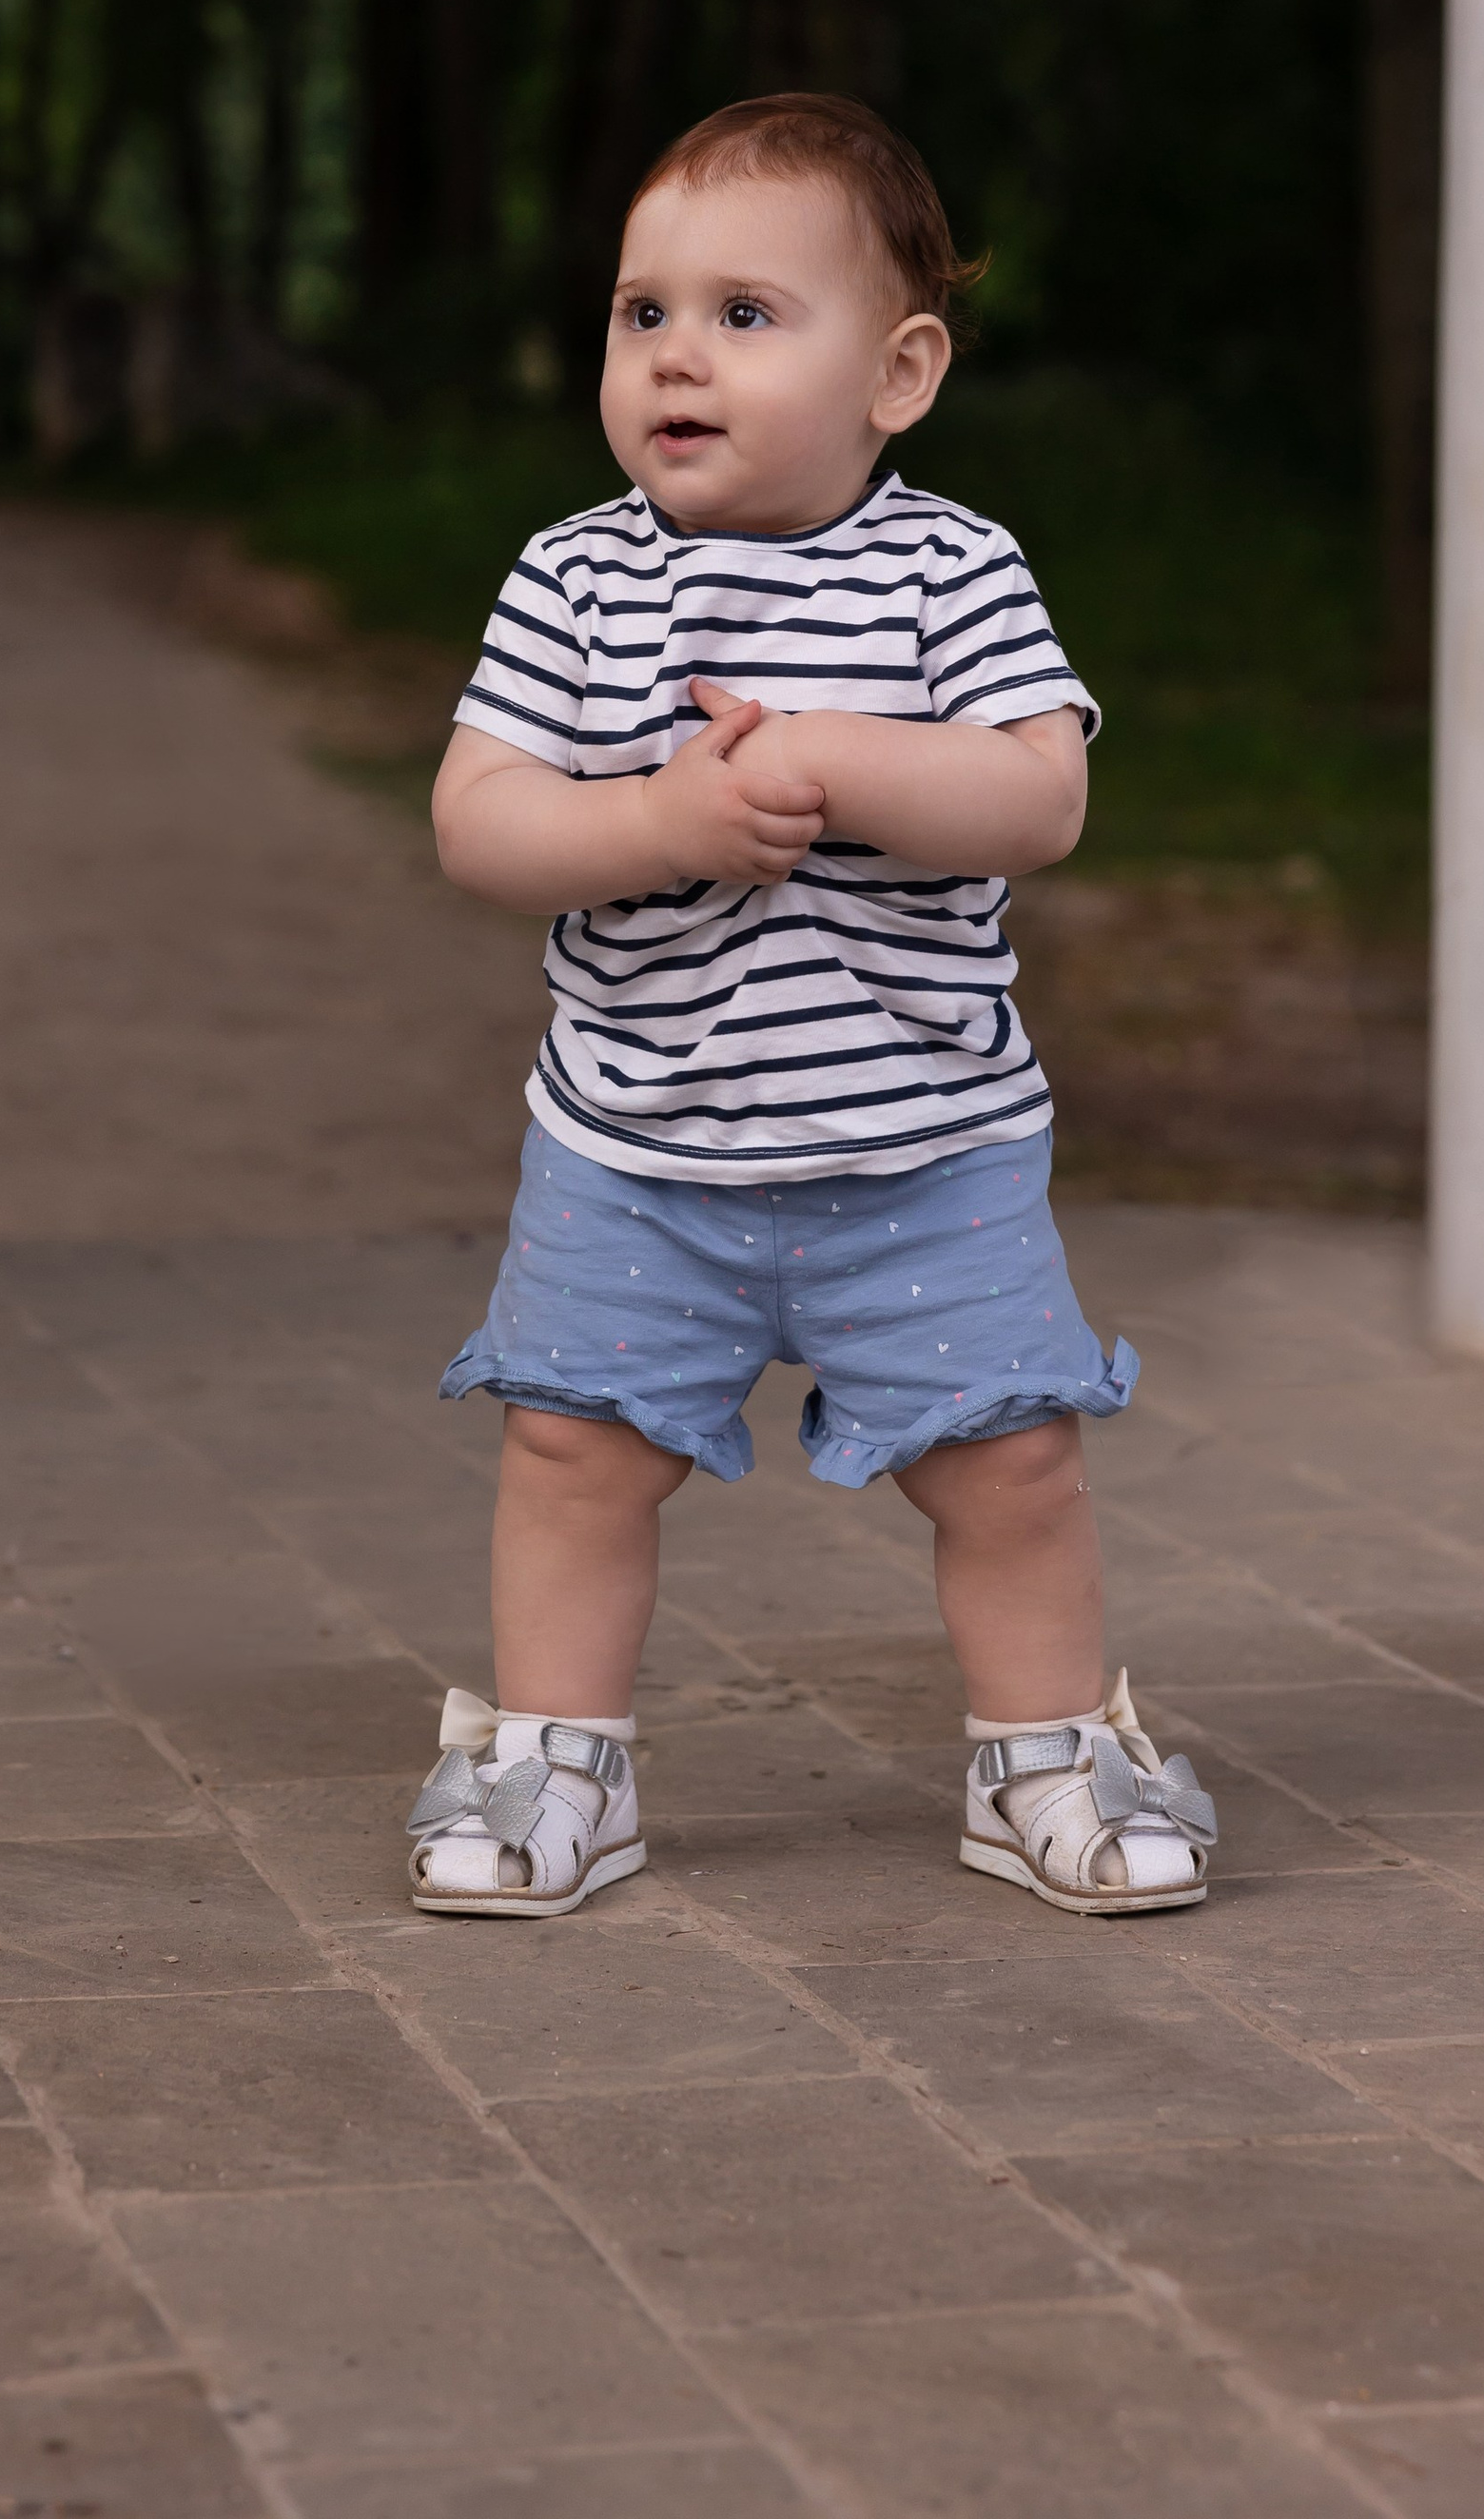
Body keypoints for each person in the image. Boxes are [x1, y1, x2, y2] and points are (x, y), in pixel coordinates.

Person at [409, 92, 1216, 1919]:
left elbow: (1041, 797)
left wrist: (844, 760)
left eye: (746, 315)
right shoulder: (576, 577)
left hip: (927, 1155)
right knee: (571, 1458)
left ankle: (1045, 1756)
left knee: (1012, 1468)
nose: (675, 355)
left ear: (899, 373)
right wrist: (658, 823)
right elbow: (478, 820)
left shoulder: (953, 572)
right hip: (636, 1154)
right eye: (643, 312)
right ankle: (555, 1760)